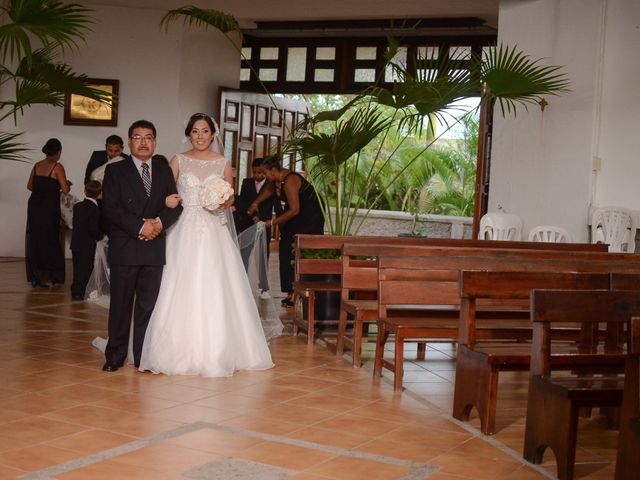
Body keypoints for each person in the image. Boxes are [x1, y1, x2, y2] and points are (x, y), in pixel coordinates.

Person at [139, 113, 278, 377]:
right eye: (195, 131)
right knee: (177, 282)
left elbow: (229, 198)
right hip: (183, 227)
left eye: (205, 131)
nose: (200, 136)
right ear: (188, 134)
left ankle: (219, 350)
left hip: (214, 229)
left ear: (213, 134)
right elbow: (164, 192)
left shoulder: (224, 163)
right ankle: (170, 348)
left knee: (216, 284)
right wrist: (167, 204)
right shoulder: (178, 160)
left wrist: (222, 202)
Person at [100, 120, 183, 372]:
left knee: (148, 307)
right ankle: (115, 355)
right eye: (138, 137)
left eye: (148, 137)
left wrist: (157, 223)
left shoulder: (163, 170)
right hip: (126, 246)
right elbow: (111, 209)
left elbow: (175, 205)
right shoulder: (116, 171)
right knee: (121, 305)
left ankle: (143, 356)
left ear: (155, 141)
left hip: (153, 247)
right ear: (129, 142)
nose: (144, 142)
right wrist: (140, 227)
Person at [249, 156, 324, 307]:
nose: (263, 176)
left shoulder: (290, 180)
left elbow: (295, 209)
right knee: (285, 250)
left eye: (265, 173)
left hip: (309, 218)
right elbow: (269, 191)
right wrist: (255, 203)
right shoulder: (276, 180)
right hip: (297, 217)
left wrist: (272, 223)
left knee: (295, 253)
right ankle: (290, 292)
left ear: (274, 170)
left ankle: (299, 293)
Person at [26, 138, 70, 288]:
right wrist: (65, 184)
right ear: (58, 152)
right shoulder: (57, 167)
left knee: (36, 239)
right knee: (50, 240)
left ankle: (36, 276)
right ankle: (52, 276)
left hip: (34, 207)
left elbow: (30, 186)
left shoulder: (37, 165)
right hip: (49, 209)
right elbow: (65, 189)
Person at [70, 181, 103, 300]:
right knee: (85, 268)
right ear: (100, 194)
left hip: (76, 242)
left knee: (77, 267)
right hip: (87, 244)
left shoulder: (78, 206)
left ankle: (75, 289)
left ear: (85, 191)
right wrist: (101, 236)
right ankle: (80, 291)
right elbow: (93, 228)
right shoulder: (95, 208)